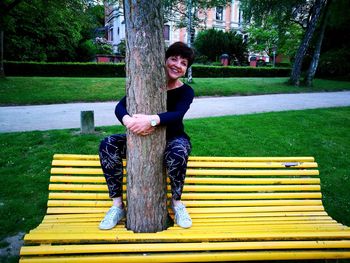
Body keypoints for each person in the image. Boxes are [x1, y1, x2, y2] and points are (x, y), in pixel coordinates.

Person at [98, 41, 195, 230]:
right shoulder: (146, 84)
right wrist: (128, 121)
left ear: (186, 69)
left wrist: (150, 121)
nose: (177, 65)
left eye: (184, 63)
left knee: (178, 151)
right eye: (173, 59)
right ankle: (118, 206)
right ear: (164, 60)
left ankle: (177, 204)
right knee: (107, 143)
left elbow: (177, 115)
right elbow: (120, 106)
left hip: (173, 139)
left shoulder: (186, 92)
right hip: (140, 139)